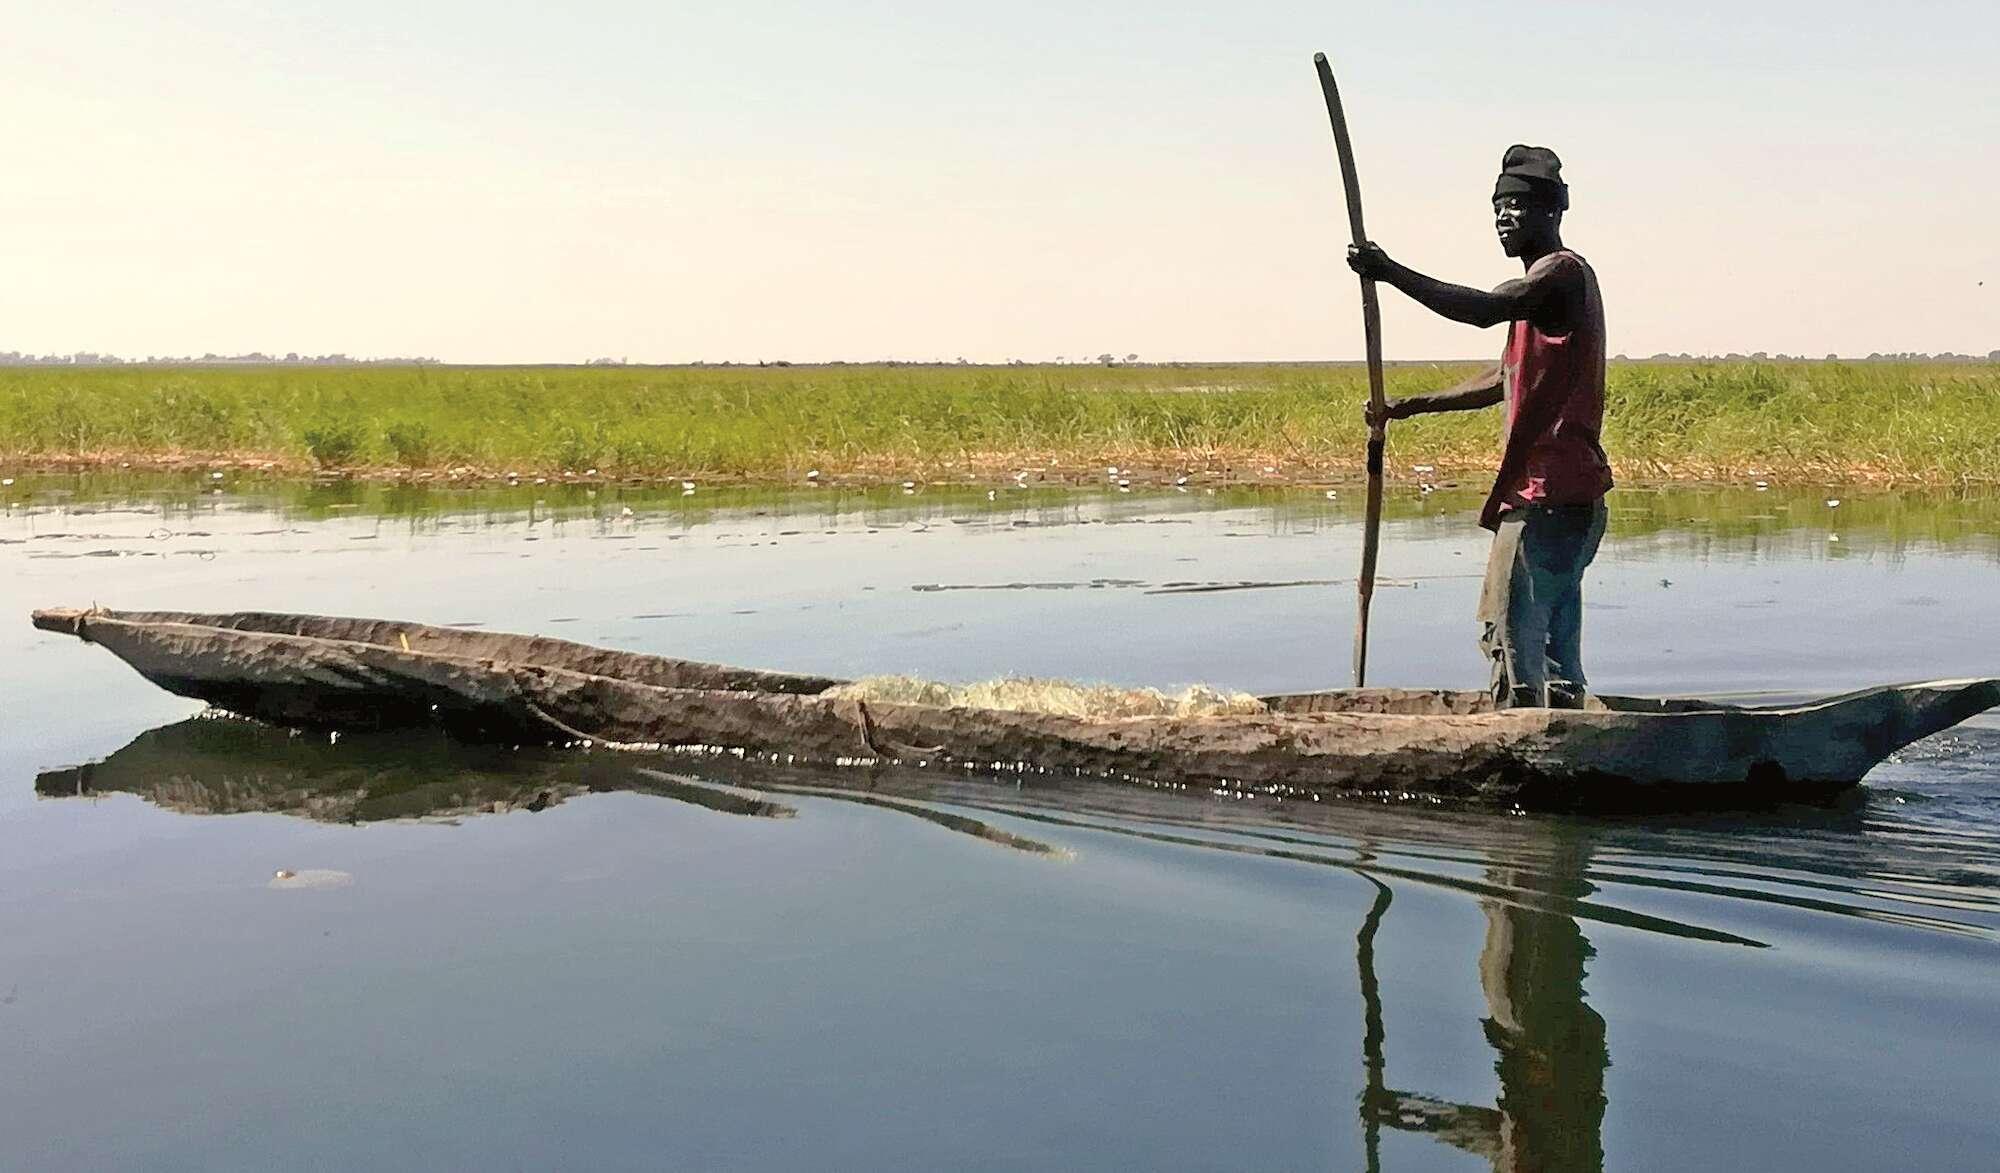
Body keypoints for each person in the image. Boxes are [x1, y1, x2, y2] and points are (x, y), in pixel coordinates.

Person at [1346, 145, 1612, 710]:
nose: (1503, 217)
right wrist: (1410, 405)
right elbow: (1504, 378)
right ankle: (1566, 737)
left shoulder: (1558, 275)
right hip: (1570, 500)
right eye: (1497, 207)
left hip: (1547, 497)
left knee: (1512, 643)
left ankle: (1521, 749)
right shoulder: (1546, 298)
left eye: (1518, 205)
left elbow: (1485, 308)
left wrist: (1390, 273)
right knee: (1552, 653)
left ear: (1552, 212)